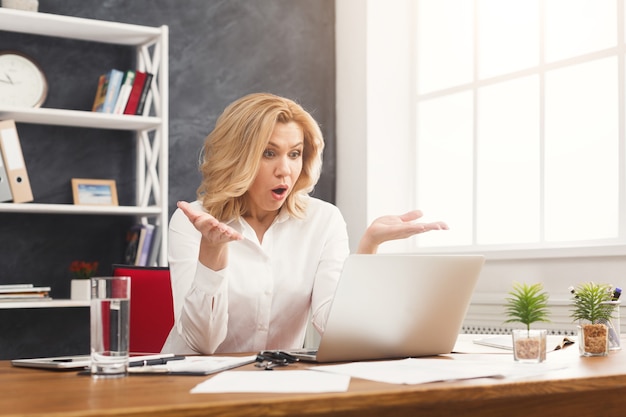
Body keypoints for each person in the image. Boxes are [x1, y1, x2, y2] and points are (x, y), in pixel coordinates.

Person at [161, 93, 448, 355]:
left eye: (295, 154)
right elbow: (201, 344)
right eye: (269, 153)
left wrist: (369, 245)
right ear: (238, 157)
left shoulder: (324, 220)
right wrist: (212, 251)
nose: (285, 170)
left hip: (280, 384)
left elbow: (335, 326)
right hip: (192, 385)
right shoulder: (194, 223)